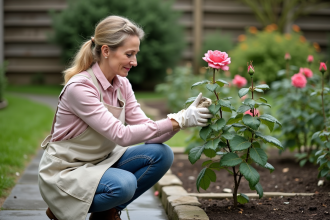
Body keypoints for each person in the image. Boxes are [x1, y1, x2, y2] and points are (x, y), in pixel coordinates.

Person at [38, 15, 212, 220]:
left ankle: (105, 213)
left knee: (162, 154)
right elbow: (121, 135)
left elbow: (149, 133)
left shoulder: (122, 84)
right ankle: (63, 205)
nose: (135, 62)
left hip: (101, 162)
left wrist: (181, 121)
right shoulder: (81, 87)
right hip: (68, 171)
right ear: (105, 51)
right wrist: (177, 119)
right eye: (129, 54)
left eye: (136, 54)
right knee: (125, 184)